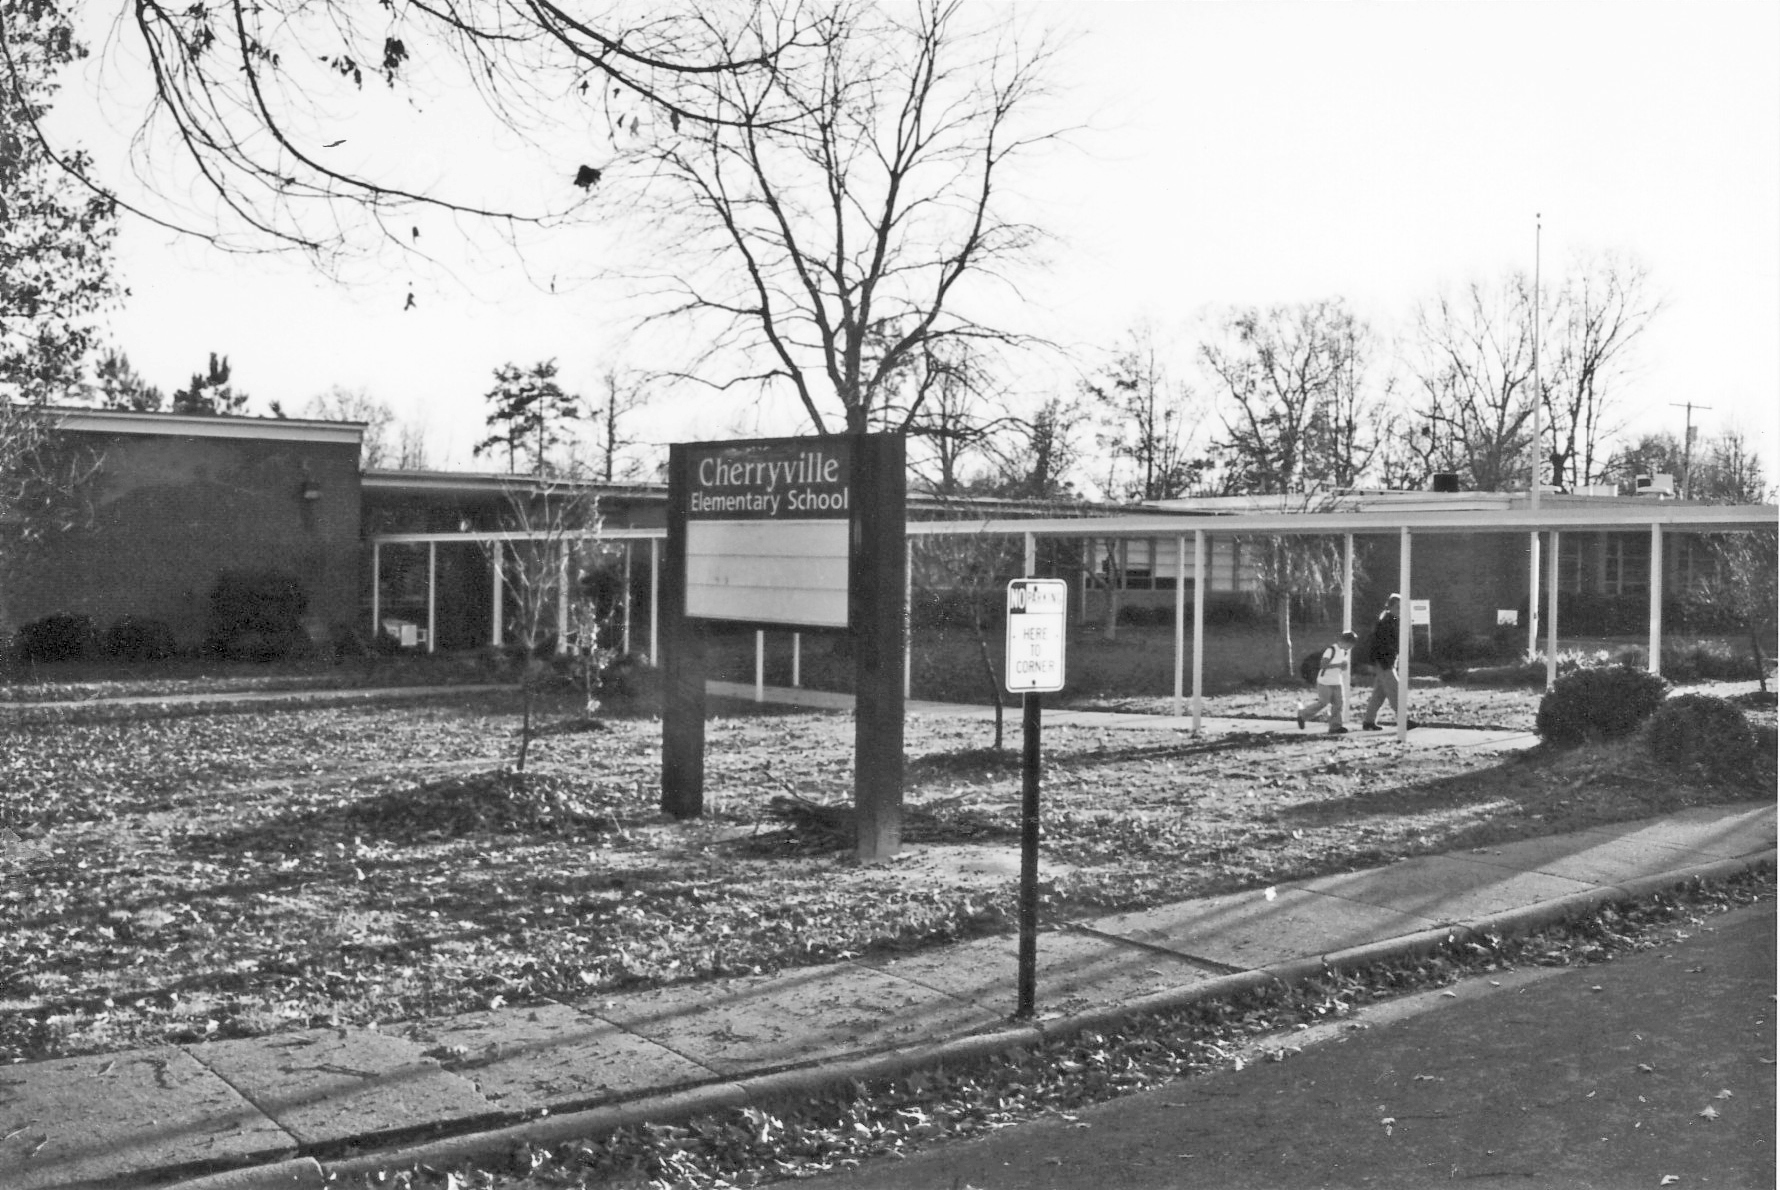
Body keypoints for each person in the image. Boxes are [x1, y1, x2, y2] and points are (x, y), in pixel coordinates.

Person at [1296, 630, 1358, 735]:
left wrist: (1343, 667)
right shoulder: (1331, 650)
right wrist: (1338, 665)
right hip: (1325, 681)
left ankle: (1335, 727)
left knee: (1338, 704)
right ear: (1344, 642)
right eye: (1350, 645)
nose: (1350, 648)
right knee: (1323, 702)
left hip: (1337, 681)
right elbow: (1323, 665)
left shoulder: (1344, 652)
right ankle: (1303, 714)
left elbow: (1341, 666)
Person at [1362, 594, 1402, 730]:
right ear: (1390, 607)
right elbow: (1380, 644)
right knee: (1396, 690)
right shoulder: (1385, 622)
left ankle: (1368, 721)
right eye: (1397, 607)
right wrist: (1382, 661)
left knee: (1379, 693)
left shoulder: (1394, 620)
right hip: (1384, 661)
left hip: (1389, 660)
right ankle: (1403, 720)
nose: (1400, 610)